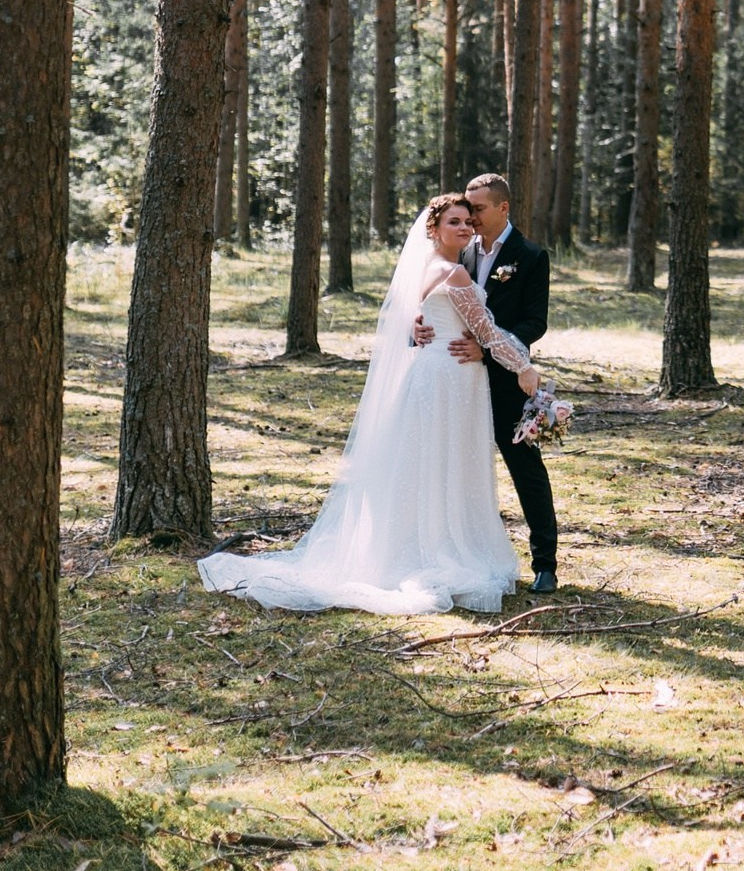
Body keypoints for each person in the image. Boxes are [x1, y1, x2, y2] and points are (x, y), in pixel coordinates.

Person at [198, 194, 527, 613]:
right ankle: (441, 548)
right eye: (454, 223)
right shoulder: (455, 272)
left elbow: (422, 318)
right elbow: (488, 332)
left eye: (467, 222)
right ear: (434, 229)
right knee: (444, 462)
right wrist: (525, 369)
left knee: (427, 464)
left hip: (432, 374)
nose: (464, 229)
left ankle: (418, 543)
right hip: (448, 377)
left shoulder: (427, 269)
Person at [416, 173, 561, 592]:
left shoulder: (530, 256)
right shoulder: (456, 250)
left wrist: (492, 351)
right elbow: (427, 297)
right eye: (465, 211)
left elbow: (535, 321)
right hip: (455, 382)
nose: (470, 219)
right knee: (453, 465)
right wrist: (418, 321)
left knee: (525, 466)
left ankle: (545, 563)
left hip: (500, 377)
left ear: (502, 208)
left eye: (477, 210)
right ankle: (448, 550)